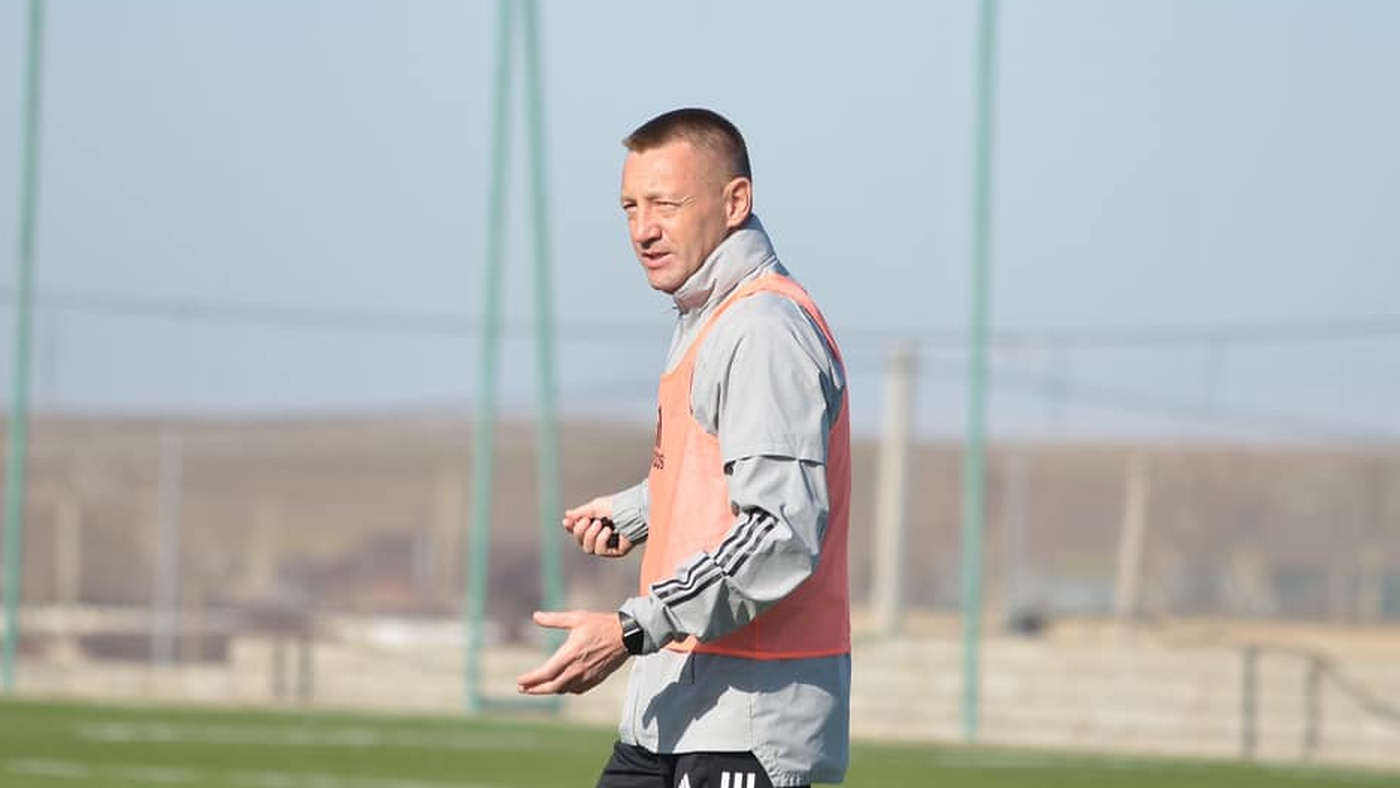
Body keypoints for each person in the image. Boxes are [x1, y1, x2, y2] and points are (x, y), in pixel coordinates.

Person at [516, 108, 851, 788]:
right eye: (630, 207)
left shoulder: (762, 330)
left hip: (747, 722)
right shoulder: (711, 318)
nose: (642, 229)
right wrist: (641, 511)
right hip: (674, 710)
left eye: (665, 205)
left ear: (735, 202)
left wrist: (631, 628)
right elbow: (719, 477)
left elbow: (779, 531)